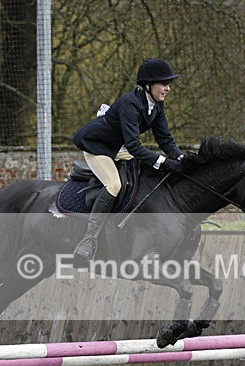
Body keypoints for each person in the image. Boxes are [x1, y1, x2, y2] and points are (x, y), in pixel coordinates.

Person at [71, 58, 185, 266]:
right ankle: (88, 241)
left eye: (169, 84)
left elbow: (166, 139)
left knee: (145, 177)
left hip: (119, 148)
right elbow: (134, 146)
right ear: (148, 85)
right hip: (98, 146)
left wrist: (182, 159)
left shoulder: (156, 106)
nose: (168, 88)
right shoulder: (130, 104)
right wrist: (163, 161)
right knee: (115, 185)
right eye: (163, 84)